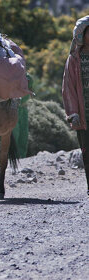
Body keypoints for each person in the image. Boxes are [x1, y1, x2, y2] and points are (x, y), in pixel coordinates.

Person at [62, 15, 89, 195]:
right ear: (81, 35)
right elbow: (68, 87)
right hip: (83, 114)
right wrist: (72, 112)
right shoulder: (74, 60)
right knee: (87, 153)